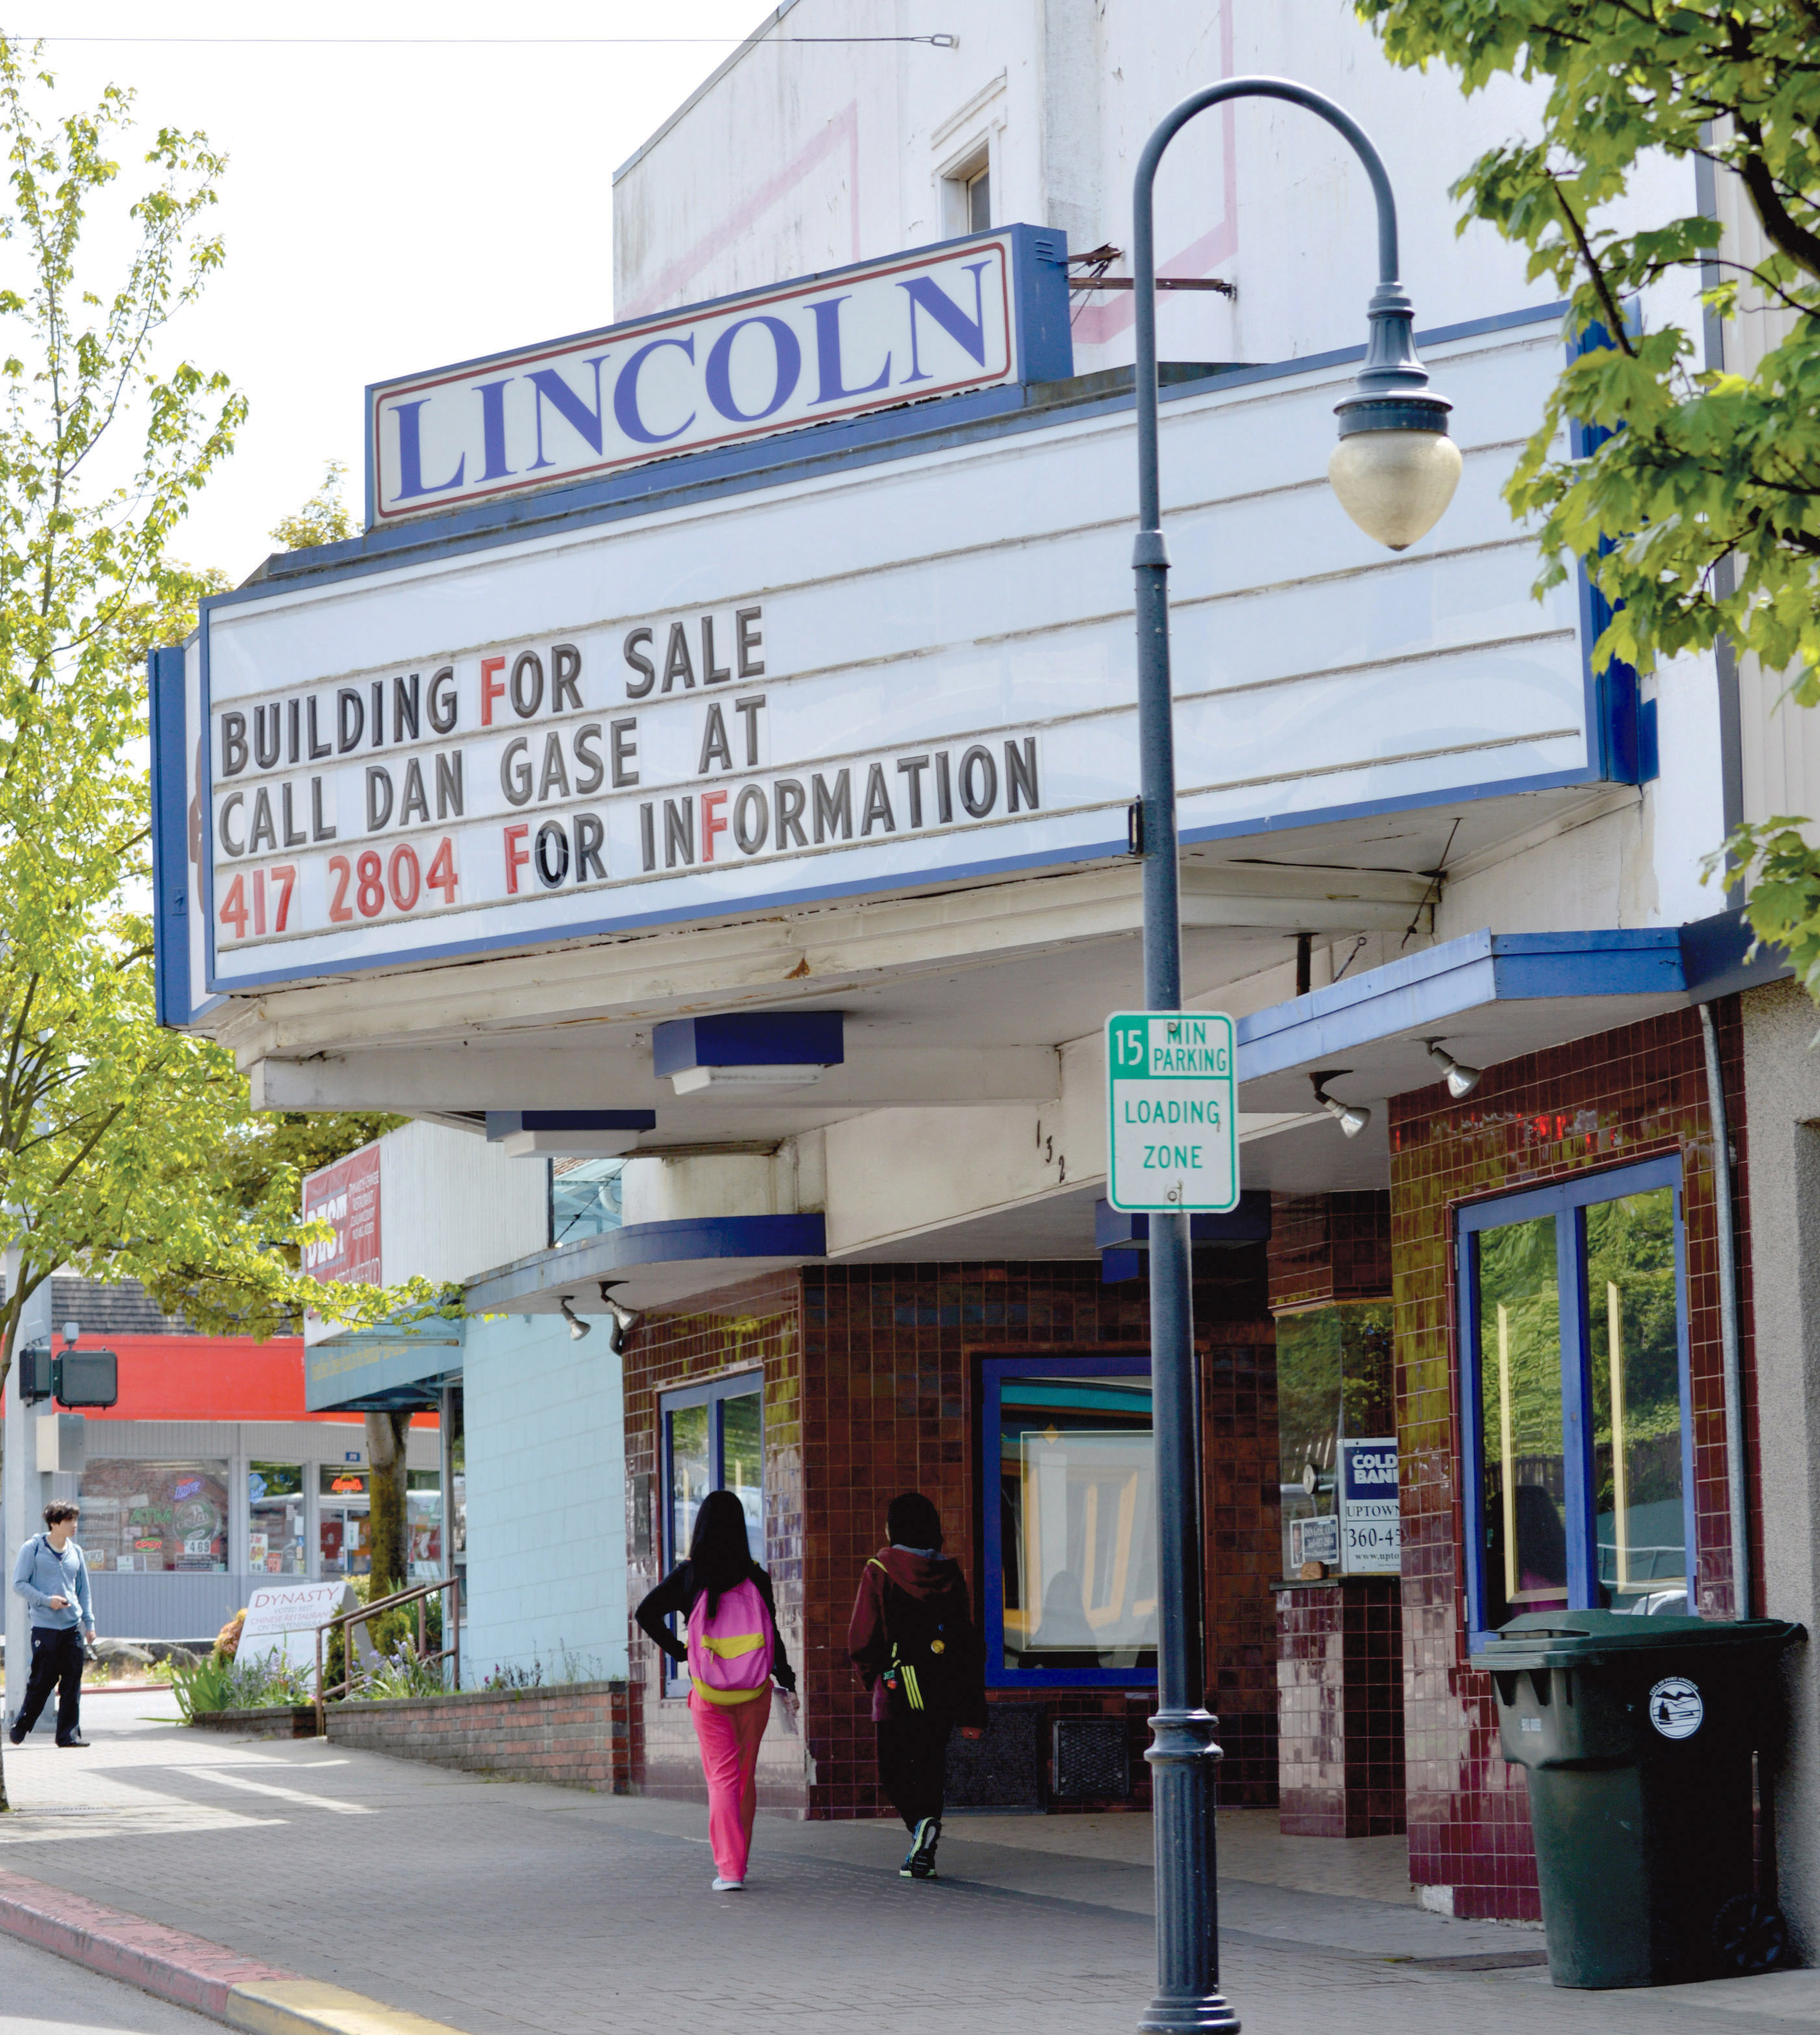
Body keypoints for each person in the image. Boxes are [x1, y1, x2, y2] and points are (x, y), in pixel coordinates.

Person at [636, 1490, 796, 1891]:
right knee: (744, 1777)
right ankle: (738, 1859)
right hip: (755, 1693)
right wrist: (788, 1681)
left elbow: (646, 1613)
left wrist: (682, 1652)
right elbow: (772, 1635)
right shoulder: (756, 1575)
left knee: (723, 1779)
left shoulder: (690, 1574)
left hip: (709, 1695)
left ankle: (730, 1870)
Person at [847, 1491, 987, 1882]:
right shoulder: (952, 1574)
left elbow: (862, 1637)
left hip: (897, 1687)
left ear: (894, 1527)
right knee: (929, 1766)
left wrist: (871, 1678)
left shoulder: (880, 1568)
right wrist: (972, 1706)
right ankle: (923, 1850)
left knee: (893, 1770)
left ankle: (921, 1827)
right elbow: (967, 1639)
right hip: (942, 1686)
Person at [10, 1501, 95, 1748]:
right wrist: (47, 1601)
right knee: (42, 1682)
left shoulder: (76, 1552)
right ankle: (22, 1726)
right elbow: (19, 1583)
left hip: (71, 1629)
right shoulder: (33, 1548)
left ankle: (68, 1736)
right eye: (70, 1521)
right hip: (45, 1628)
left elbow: (84, 1591)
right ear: (54, 1523)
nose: (75, 1526)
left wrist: (89, 1624)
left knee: (72, 1684)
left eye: (76, 1521)